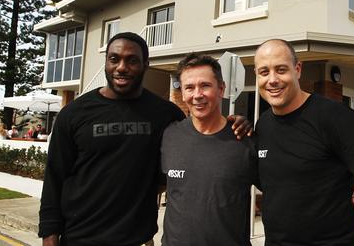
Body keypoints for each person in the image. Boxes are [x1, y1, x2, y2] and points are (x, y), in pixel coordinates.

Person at [38, 32, 251, 246]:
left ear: (145, 65)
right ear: (106, 62)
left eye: (132, 60)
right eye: (114, 59)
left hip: (138, 239)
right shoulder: (74, 113)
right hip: (80, 238)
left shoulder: (165, 114)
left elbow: (198, 134)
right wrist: (49, 235)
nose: (122, 67)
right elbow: (55, 178)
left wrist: (237, 122)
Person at [254, 39, 354, 245]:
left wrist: (352, 231)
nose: (272, 79)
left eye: (281, 69)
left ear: (297, 69)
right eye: (264, 72)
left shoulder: (333, 117)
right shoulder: (264, 125)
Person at [160, 53, 257, 245]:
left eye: (205, 85)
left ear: (221, 89)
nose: (197, 95)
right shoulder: (168, 136)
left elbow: (279, 193)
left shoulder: (244, 140)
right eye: (189, 87)